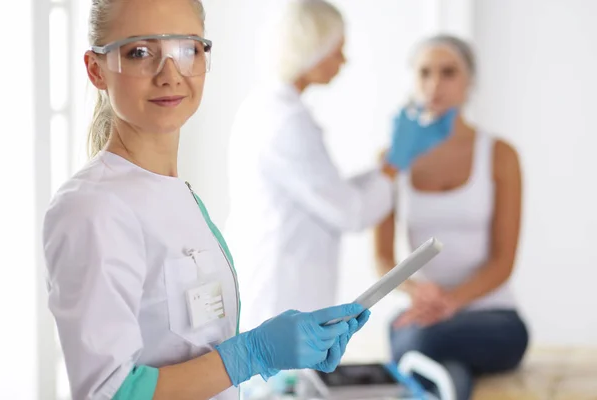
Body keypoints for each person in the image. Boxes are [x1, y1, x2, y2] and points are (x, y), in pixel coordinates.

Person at [42, 1, 373, 399]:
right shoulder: (93, 208)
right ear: (96, 69)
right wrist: (252, 354)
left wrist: (280, 350)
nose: (169, 75)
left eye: (187, 49)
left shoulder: (178, 196)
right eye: (140, 52)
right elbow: (110, 394)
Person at [224, 0, 456, 332]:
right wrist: (394, 163)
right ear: (312, 48)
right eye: (338, 49)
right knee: (284, 376)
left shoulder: (272, 109)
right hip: (278, 291)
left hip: (281, 282)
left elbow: (332, 190)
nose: (343, 61)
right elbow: (350, 212)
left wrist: (390, 165)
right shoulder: (285, 121)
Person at [374, 35, 529, 400]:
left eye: (448, 73)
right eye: (424, 73)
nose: (434, 85)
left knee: (418, 341)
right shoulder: (393, 159)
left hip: (494, 319)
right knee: (437, 362)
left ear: (469, 82)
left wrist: (451, 302)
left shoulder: (500, 154)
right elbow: (382, 258)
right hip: (422, 313)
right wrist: (417, 292)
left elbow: (503, 261)